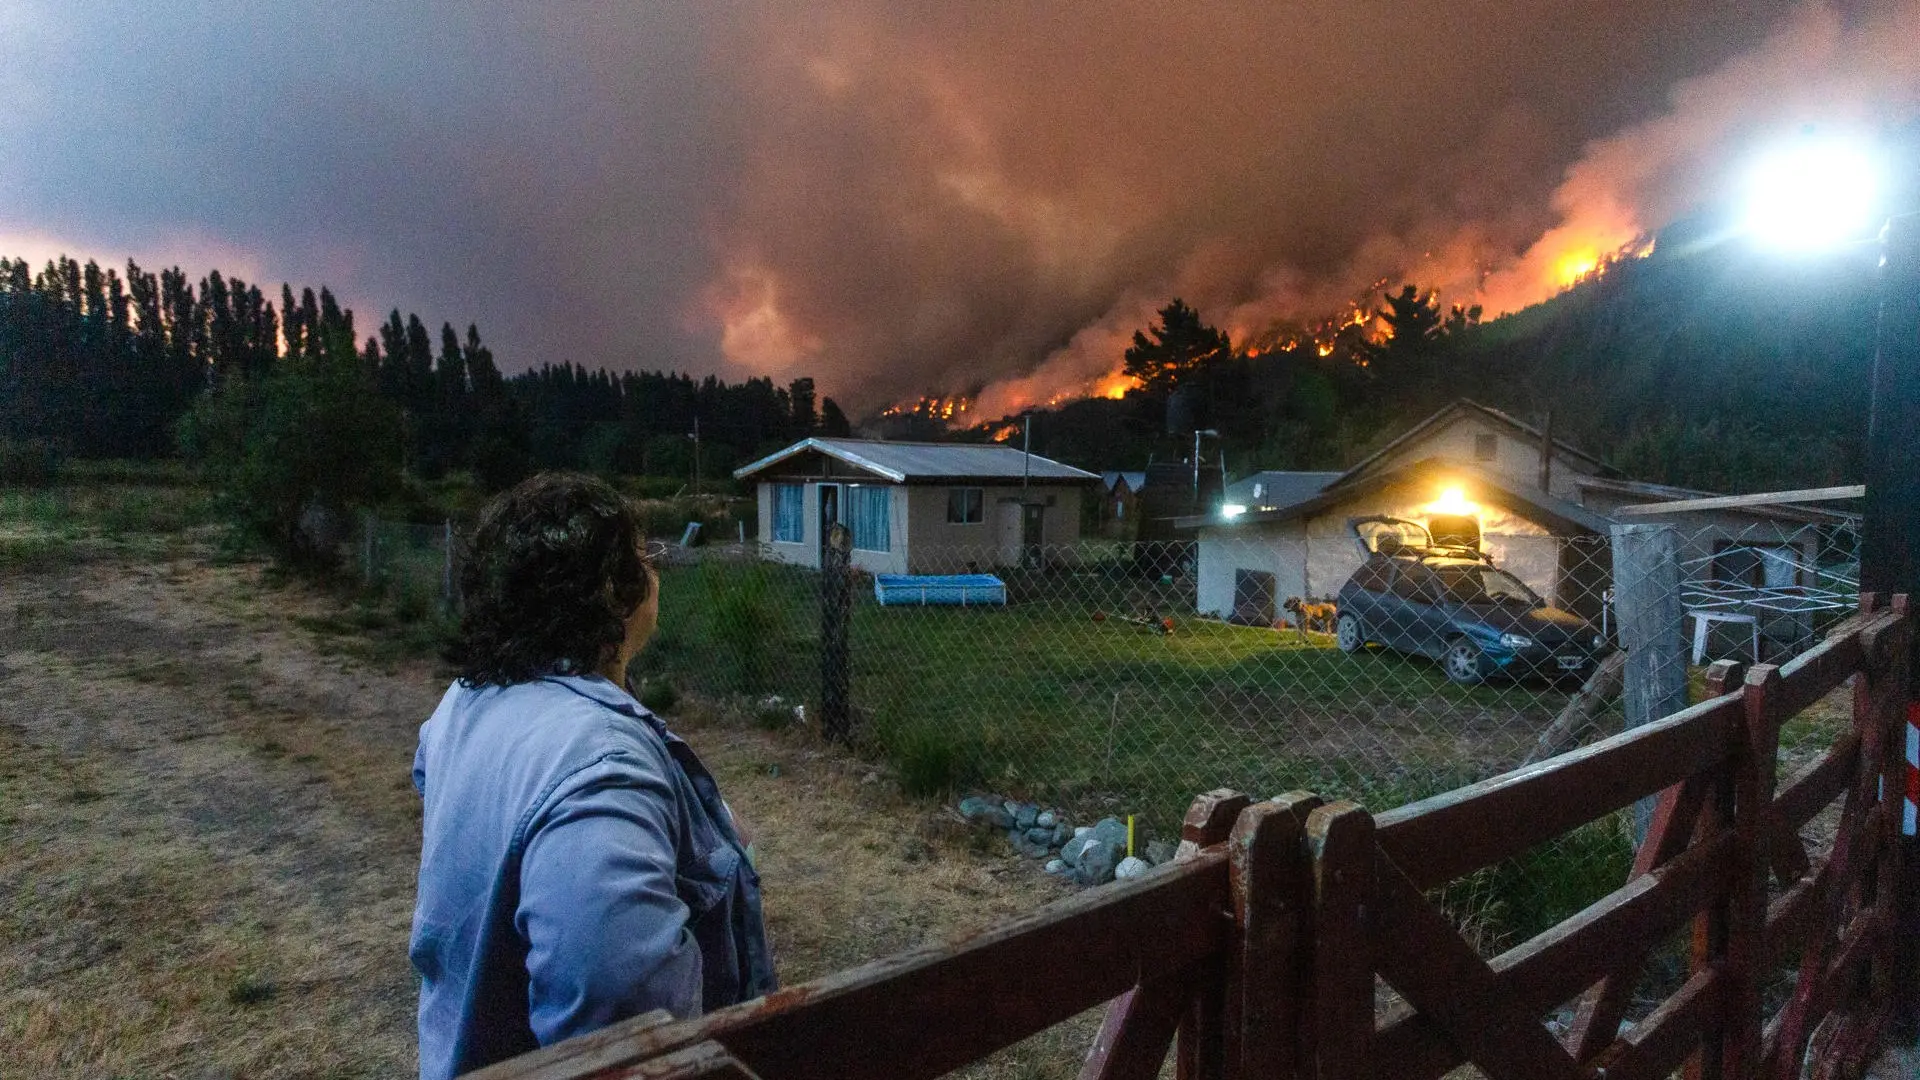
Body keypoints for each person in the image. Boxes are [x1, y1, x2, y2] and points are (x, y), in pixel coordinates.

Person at [409, 473, 774, 1080]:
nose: (654, 570)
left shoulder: (466, 702)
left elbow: (446, 781)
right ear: (612, 591)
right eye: (641, 557)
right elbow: (622, 1025)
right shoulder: (604, 767)